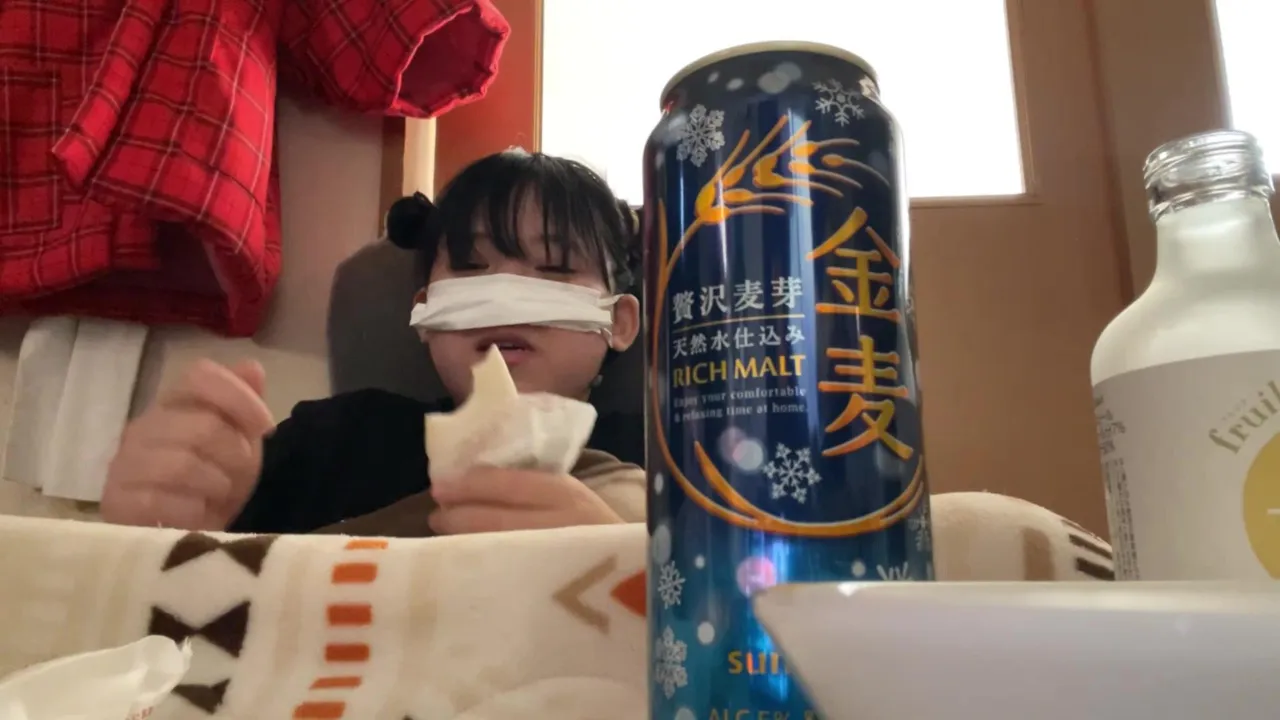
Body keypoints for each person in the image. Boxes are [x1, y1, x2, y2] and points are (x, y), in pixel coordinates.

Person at [100, 150, 645, 535]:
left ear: (619, 321)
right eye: (471, 266)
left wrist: (613, 561)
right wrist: (164, 515)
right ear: (425, 312)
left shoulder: (670, 456)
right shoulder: (331, 445)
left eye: (554, 267)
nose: (505, 293)